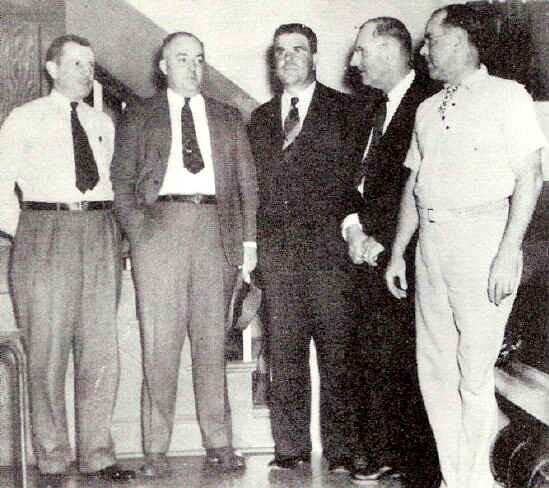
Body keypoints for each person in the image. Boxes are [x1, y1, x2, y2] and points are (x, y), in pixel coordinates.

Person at [385, 5, 546, 488]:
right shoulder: (428, 108)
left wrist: (507, 251)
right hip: (430, 247)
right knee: (434, 374)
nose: (424, 49)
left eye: (432, 39)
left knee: (474, 375)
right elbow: (416, 186)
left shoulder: (507, 96)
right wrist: (398, 251)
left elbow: (529, 178)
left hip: (482, 241)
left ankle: (477, 480)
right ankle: (457, 478)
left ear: (460, 41)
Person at [111, 32, 257, 477]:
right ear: (163, 65)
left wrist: (248, 243)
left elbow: (247, 185)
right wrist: (141, 234)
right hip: (160, 230)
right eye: (182, 59)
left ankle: (220, 443)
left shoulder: (228, 117)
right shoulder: (139, 114)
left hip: (216, 231)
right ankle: (155, 450)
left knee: (213, 343)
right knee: (160, 344)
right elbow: (120, 182)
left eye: (199, 59)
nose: (192, 68)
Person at [0, 34, 135, 487]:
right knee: (47, 352)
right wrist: (33, 235)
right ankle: (53, 459)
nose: (86, 71)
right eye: (76, 63)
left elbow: (110, 184)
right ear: (52, 68)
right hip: (44, 231)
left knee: (101, 351)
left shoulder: (103, 122)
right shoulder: (24, 119)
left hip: (98, 231)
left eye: (90, 64)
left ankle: (97, 454)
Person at [248, 23, 358, 471]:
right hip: (279, 258)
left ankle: (343, 450)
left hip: (332, 256)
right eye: (280, 52)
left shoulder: (348, 111)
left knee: (338, 354)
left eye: (298, 50)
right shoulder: (258, 119)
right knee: (285, 355)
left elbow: (357, 184)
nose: (288, 58)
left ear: (314, 58)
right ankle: (289, 448)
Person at [341, 17, 439, 486]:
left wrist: (385, 241)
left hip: (406, 257)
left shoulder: (429, 104)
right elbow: (352, 185)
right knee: (373, 361)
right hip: (366, 254)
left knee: (407, 364)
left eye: (361, 51)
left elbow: (418, 187)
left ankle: (418, 467)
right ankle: (388, 456)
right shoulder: (367, 109)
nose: (353, 61)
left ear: (388, 50)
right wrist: (354, 231)